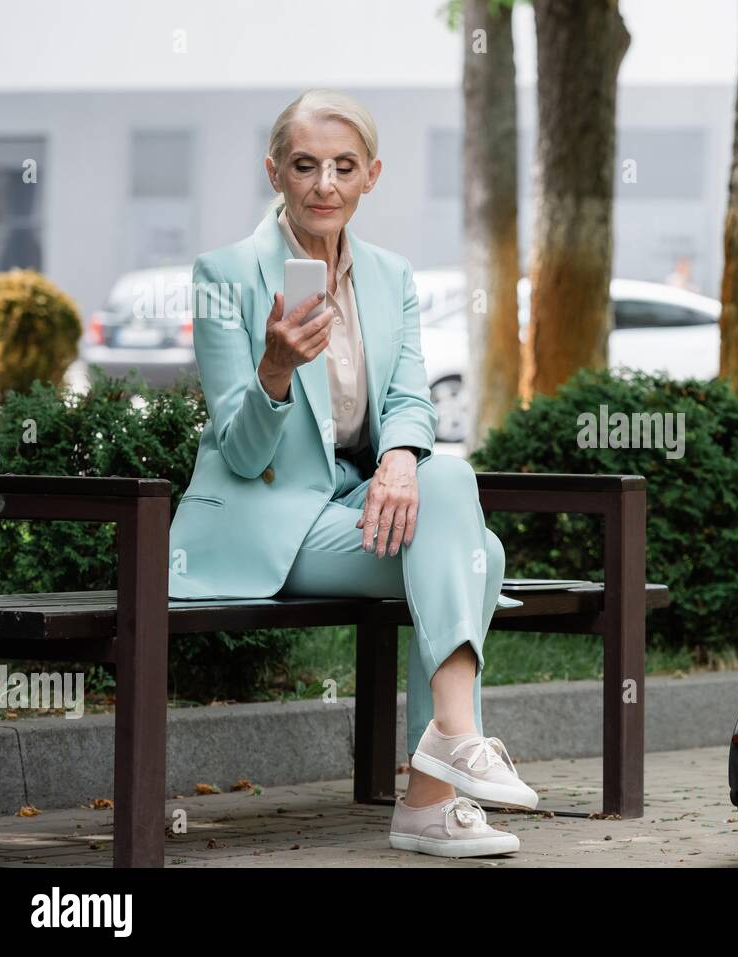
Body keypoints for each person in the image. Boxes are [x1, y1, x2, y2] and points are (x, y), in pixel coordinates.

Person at [169, 89, 532, 858]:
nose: (323, 185)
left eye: (342, 167)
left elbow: (408, 398)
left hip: (354, 504)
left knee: (447, 480)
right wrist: (272, 372)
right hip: (266, 521)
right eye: (305, 166)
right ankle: (440, 779)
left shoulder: (390, 275)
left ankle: (445, 754)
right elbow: (239, 454)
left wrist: (400, 458)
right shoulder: (224, 273)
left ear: (372, 175)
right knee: (483, 557)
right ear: (276, 171)